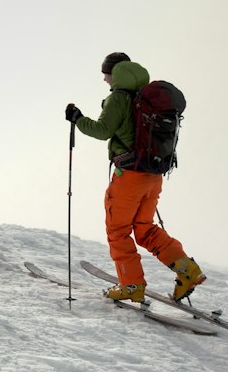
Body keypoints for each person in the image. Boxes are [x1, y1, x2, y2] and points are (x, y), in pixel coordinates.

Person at [64, 51, 207, 304]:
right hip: (152, 174)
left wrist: (78, 119)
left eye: (106, 75)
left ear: (114, 72)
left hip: (129, 176)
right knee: (144, 228)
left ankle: (131, 285)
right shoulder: (146, 97)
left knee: (117, 231)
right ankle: (188, 270)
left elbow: (102, 130)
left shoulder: (119, 98)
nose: (105, 80)